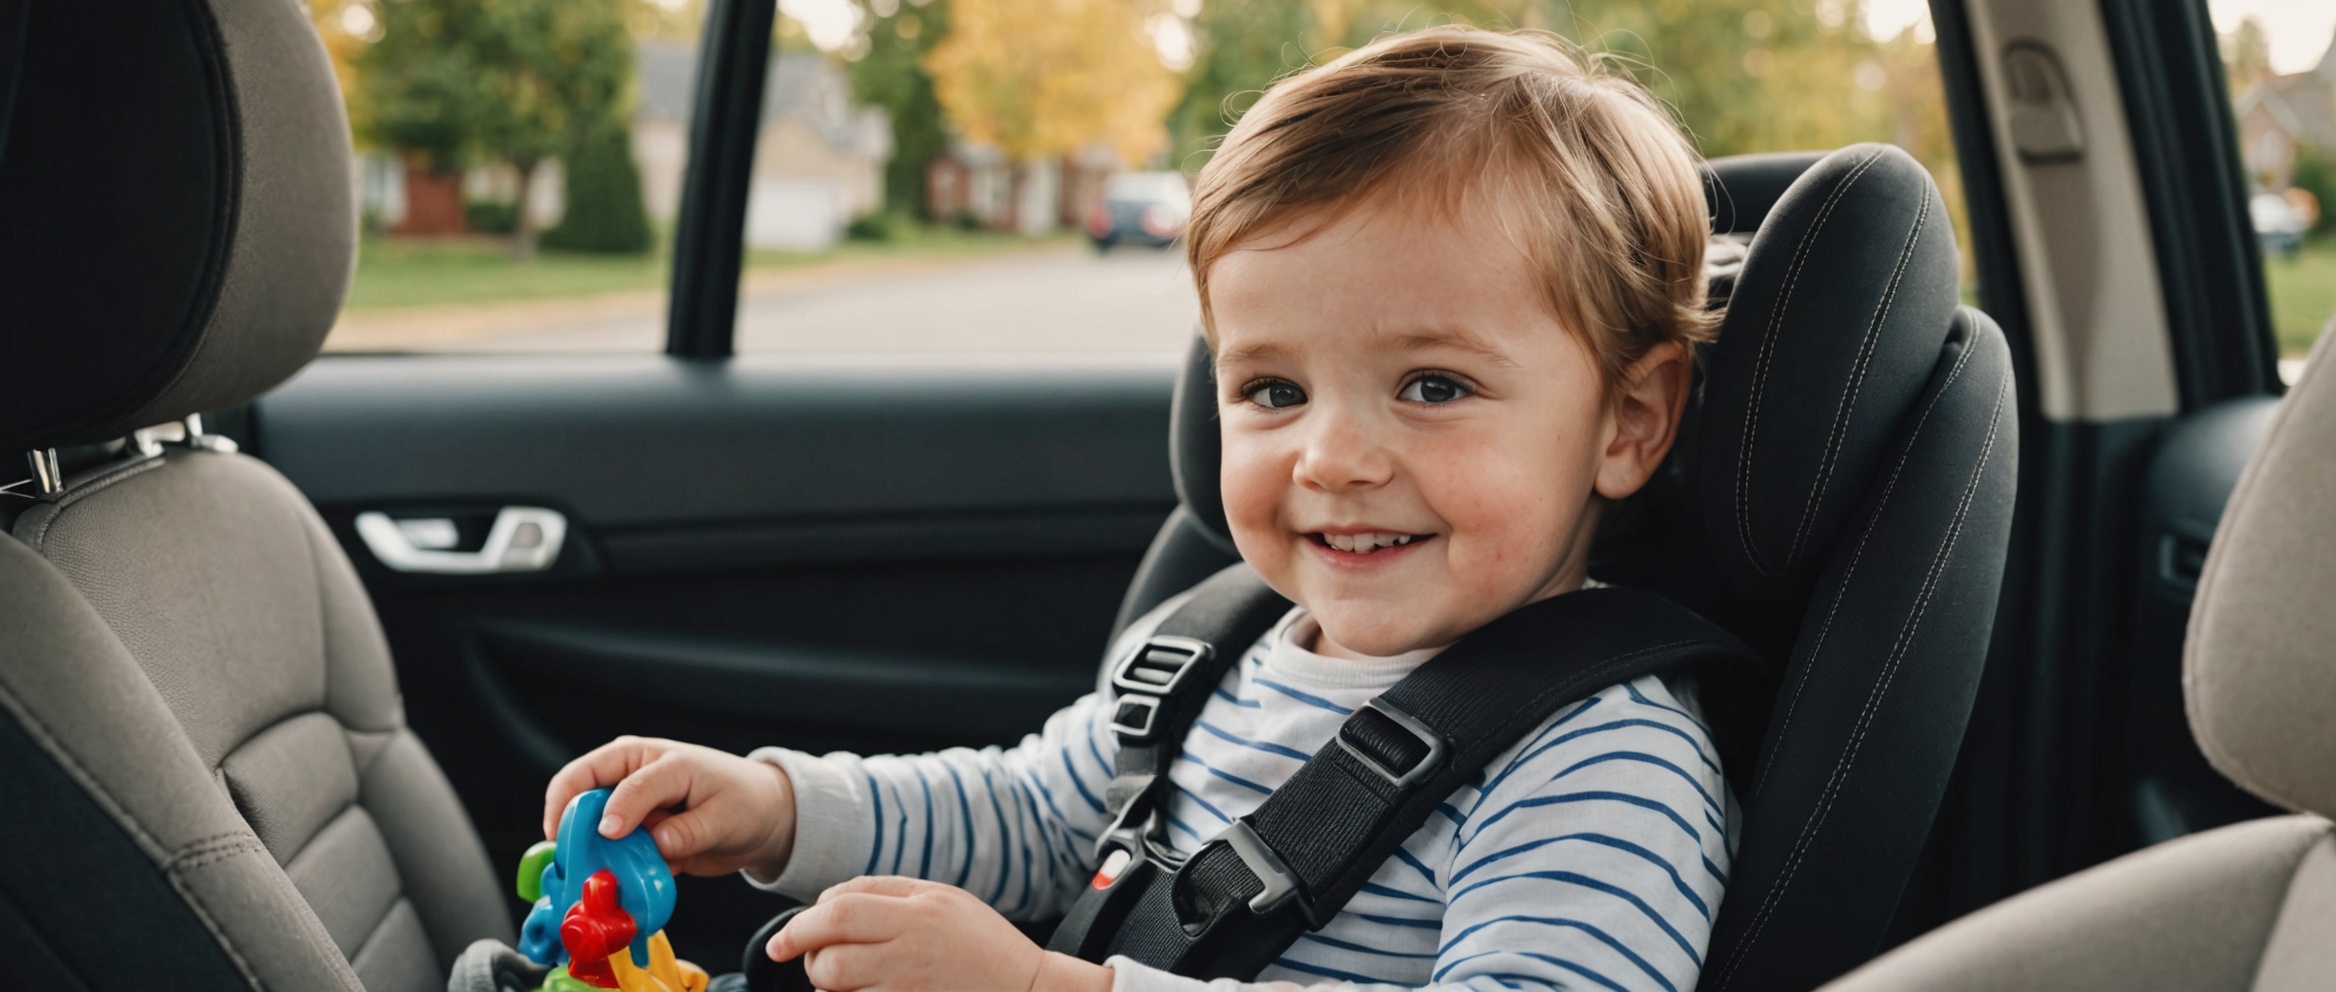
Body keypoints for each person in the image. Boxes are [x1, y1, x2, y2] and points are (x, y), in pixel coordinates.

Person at [544, 24, 1725, 992]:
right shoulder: (1216, 651)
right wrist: (779, 806)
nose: (1328, 456)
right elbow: (1023, 811)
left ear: (1626, 420)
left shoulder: (1599, 757)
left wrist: (1051, 988)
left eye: (1433, 385)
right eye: (1271, 388)